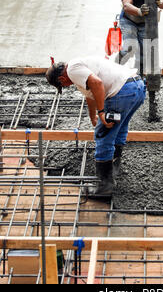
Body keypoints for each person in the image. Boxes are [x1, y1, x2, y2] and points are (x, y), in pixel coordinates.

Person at [45, 56, 146, 197]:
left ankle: (105, 186)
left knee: (103, 136)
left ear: (61, 80)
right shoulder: (80, 65)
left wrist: (102, 111)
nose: (67, 87)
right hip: (137, 87)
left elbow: (97, 83)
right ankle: (114, 167)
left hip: (122, 92)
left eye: (63, 86)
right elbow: (90, 93)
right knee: (119, 128)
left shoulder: (73, 70)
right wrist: (93, 116)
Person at [119, 0, 163, 74]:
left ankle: (139, 76)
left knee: (144, 51)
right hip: (129, 20)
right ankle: (116, 67)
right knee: (130, 47)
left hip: (146, 23)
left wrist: (160, 2)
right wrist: (139, 11)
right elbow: (126, 5)